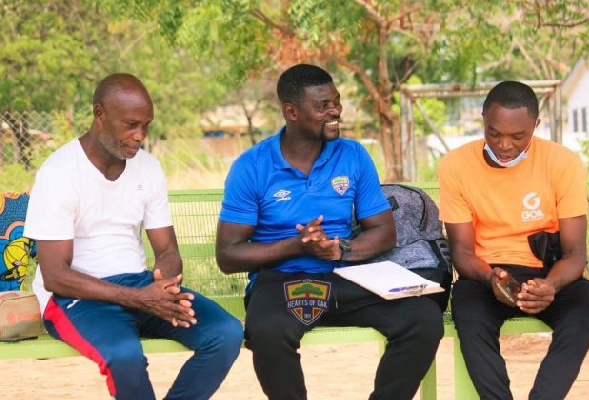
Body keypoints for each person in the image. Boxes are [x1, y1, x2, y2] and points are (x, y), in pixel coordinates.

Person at [216, 63, 443, 400]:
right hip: (282, 282)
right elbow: (228, 255)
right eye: (323, 106)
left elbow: (384, 232)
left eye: (336, 101)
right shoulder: (252, 166)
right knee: (267, 333)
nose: (335, 111)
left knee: (423, 320)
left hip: (350, 278)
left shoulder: (352, 155)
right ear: (291, 112)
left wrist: (340, 250)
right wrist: (297, 245)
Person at [24, 73, 243, 400]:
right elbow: (56, 276)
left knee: (224, 333)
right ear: (100, 115)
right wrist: (141, 299)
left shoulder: (148, 168)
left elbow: (167, 250)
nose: (139, 135)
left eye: (146, 125)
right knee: (125, 357)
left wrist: (163, 290)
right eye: (130, 124)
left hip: (139, 286)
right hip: (75, 298)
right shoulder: (60, 173)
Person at [438, 80, 589, 400]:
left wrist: (549, 286)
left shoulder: (563, 163)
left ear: (536, 126)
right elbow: (462, 251)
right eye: (494, 133)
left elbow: (575, 253)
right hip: (487, 273)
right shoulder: (455, 165)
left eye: (518, 136)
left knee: (583, 314)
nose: (504, 145)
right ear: (483, 119)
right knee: (469, 314)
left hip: (548, 271)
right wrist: (491, 277)